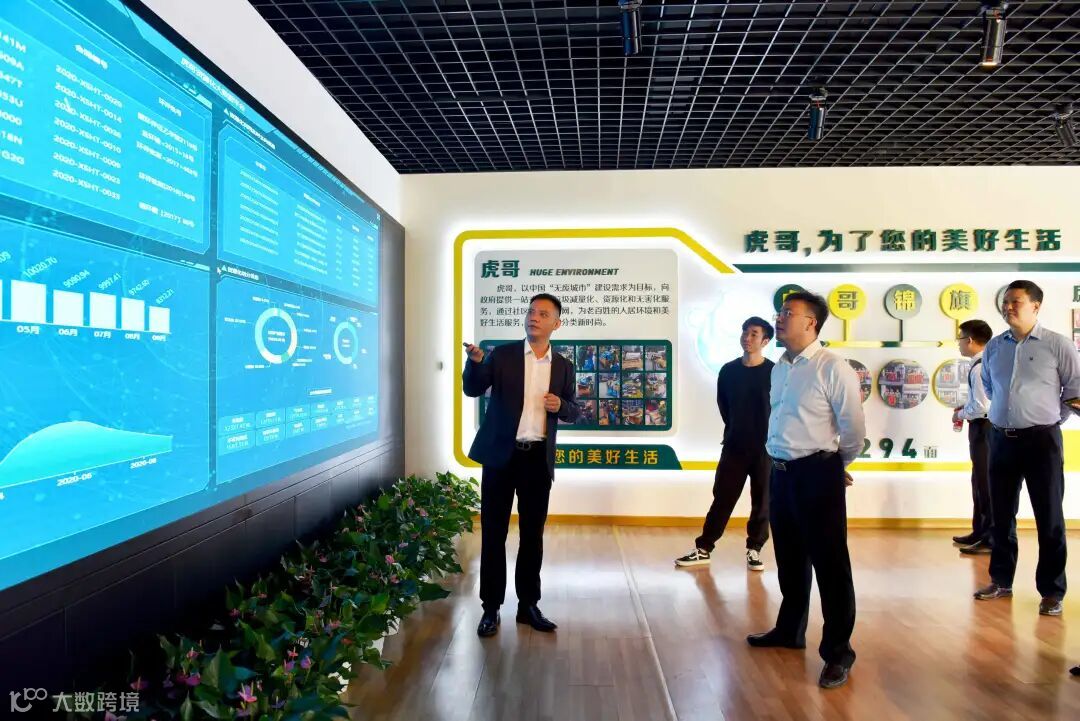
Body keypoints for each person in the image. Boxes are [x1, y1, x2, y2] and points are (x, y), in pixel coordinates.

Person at [746, 291, 865, 690]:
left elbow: (854, 430)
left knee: (831, 566)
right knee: (790, 559)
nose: (779, 318)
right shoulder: (780, 367)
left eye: (788, 313)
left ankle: (838, 653)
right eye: (779, 312)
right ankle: (790, 630)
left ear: (811, 323)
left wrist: (833, 467)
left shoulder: (833, 367)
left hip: (817, 473)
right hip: (781, 472)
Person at [463, 293, 579, 637]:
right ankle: (490, 607)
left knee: (532, 536)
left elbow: (573, 409)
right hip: (500, 457)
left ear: (556, 324)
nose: (533, 317)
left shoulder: (563, 366)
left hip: (537, 459)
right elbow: (473, 389)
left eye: (542, 314)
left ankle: (528, 605)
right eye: (530, 312)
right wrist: (476, 363)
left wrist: (561, 406)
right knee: (493, 533)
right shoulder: (503, 355)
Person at [974, 280, 1080, 617]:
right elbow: (990, 386)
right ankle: (1001, 580)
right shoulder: (995, 346)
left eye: (1015, 301)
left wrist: (1047, 419)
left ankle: (1051, 591)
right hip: (1000, 439)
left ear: (1036, 306)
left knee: (1049, 517)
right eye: (1005, 301)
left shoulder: (1058, 345)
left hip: (1042, 442)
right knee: (1001, 515)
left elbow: (1074, 392)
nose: (1007, 307)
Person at [675, 316, 775, 571]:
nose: (747, 337)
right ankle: (704, 548)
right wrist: (735, 430)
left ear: (765, 341)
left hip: (766, 449)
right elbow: (724, 406)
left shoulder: (775, 372)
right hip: (734, 446)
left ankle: (755, 549)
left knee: (763, 501)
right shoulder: (729, 371)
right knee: (722, 497)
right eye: (745, 332)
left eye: (754, 334)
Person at [951, 319, 994, 555]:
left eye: (959, 339)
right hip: (982, 427)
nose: (958, 343)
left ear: (969, 340)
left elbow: (982, 406)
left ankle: (990, 537)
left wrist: (960, 413)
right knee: (978, 480)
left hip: (984, 428)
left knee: (985, 482)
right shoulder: (983, 363)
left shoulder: (979, 368)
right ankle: (980, 531)